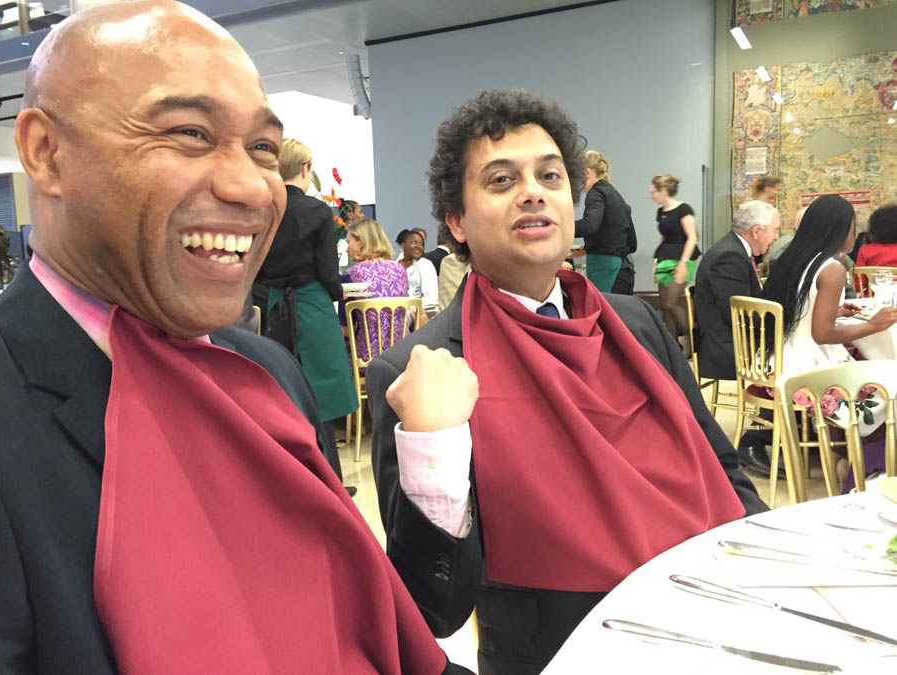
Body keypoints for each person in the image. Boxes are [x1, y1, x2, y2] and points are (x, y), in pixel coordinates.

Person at [0, 3, 469, 673]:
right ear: (46, 153)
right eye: (189, 133)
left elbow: (373, 617)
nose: (251, 187)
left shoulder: (268, 370)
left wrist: (432, 457)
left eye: (263, 149)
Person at [368, 89, 765, 675]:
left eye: (550, 176)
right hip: (562, 652)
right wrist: (434, 446)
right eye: (501, 180)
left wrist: (762, 562)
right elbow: (433, 610)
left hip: (715, 615)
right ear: (456, 221)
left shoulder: (635, 323)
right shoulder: (420, 371)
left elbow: (722, 467)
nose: (533, 191)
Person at [253, 138, 359, 483]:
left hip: (275, 308)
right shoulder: (318, 211)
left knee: (285, 390)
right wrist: (336, 292)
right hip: (312, 305)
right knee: (322, 396)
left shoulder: (264, 209)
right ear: (305, 169)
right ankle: (331, 479)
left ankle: (299, 480)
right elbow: (328, 270)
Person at [762, 195, 897, 442]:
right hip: (804, 365)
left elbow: (799, 310)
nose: (856, 234)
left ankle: (840, 449)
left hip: (774, 358)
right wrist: (873, 325)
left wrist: (834, 312)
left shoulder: (793, 259)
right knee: (889, 381)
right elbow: (822, 334)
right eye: (854, 227)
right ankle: (854, 452)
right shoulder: (832, 268)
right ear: (841, 229)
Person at [693, 200, 780, 476]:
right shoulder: (729, 256)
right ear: (756, 230)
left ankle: (789, 432)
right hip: (727, 347)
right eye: (774, 230)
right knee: (788, 360)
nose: (776, 237)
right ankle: (755, 440)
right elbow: (742, 316)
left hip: (733, 338)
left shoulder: (734, 250)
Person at [340, 217, 410, 362]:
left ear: (361, 242)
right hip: (403, 354)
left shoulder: (351, 275)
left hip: (368, 358)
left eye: (348, 242)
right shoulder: (400, 269)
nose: (346, 248)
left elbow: (347, 329)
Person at [574, 150, 637, 293]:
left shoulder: (596, 193)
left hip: (603, 266)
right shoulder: (616, 196)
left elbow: (590, 225)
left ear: (587, 172)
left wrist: (561, 227)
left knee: (600, 306)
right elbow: (632, 243)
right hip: (624, 269)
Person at [650, 173, 700, 347]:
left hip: (683, 259)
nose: (651, 196)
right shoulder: (660, 212)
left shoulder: (684, 209)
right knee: (664, 305)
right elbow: (663, 238)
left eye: (653, 192)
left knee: (670, 303)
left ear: (663, 190)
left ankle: (692, 337)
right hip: (665, 257)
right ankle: (673, 346)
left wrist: (682, 264)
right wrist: (656, 263)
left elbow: (692, 237)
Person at [397, 228, 438, 315]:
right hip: (395, 310)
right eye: (414, 242)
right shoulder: (395, 265)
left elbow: (432, 298)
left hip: (418, 313)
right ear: (403, 245)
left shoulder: (426, 265)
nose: (419, 246)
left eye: (421, 244)